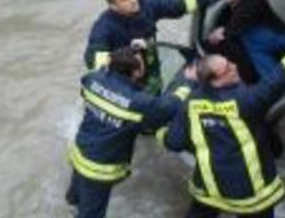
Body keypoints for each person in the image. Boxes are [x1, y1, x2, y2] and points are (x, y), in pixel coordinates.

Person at [164, 18, 285, 217]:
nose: (235, 66)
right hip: (252, 195)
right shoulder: (246, 101)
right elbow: (282, 75)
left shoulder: (191, 103)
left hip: (209, 190)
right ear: (216, 81)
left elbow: (174, 142)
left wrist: (160, 130)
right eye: (228, 69)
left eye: (229, 62)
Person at [67, 46, 196, 218]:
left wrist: (130, 50)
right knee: (91, 213)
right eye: (141, 64)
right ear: (135, 72)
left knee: (76, 198)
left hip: (80, 152)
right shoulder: (136, 102)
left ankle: (72, 208)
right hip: (99, 169)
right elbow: (169, 107)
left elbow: (101, 64)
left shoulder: (92, 80)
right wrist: (187, 81)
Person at [84, 0, 218, 95]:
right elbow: (91, 60)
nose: (133, 0)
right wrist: (127, 53)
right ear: (113, 6)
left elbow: (179, 4)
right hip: (125, 83)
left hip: (151, 73)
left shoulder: (147, 5)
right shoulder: (104, 27)